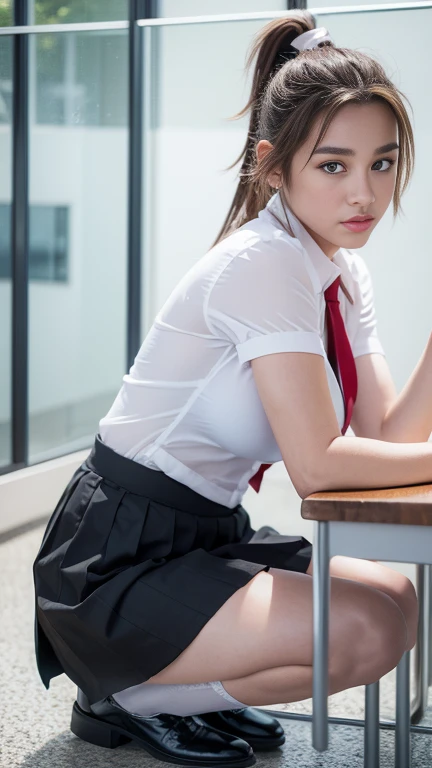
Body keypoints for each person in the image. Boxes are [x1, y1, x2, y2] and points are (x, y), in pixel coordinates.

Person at [32, 10, 424, 766]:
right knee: (367, 631)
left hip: (208, 532)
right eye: (333, 165)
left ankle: (184, 690)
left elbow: (389, 442)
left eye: (384, 162)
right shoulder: (263, 264)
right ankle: (125, 694)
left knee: (395, 597)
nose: (365, 193)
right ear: (275, 166)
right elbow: (323, 466)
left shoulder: (342, 270)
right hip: (120, 551)